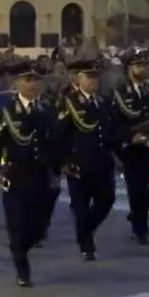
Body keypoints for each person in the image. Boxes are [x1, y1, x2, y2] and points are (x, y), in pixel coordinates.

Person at [0, 60, 59, 287]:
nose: (32, 84)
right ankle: (22, 268)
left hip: (41, 174)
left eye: (36, 80)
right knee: (17, 224)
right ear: (17, 83)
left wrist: (59, 167)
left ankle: (23, 245)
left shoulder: (47, 108)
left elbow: (56, 142)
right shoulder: (6, 110)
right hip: (16, 175)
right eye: (27, 80)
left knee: (38, 227)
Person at [55, 58, 118, 261]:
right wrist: (64, 161)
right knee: (81, 208)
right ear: (79, 79)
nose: (93, 82)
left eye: (95, 78)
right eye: (88, 78)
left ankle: (85, 231)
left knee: (106, 200)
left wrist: (119, 151)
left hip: (102, 162)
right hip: (79, 165)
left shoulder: (104, 101)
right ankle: (86, 245)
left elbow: (111, 131)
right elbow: (60, 134)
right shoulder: (69, 102)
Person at [112, 48, 149, 245]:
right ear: (129, 68)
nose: (143, 69)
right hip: (132, 150)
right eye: (138, 65)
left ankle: (138, 214)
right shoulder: (120, 93)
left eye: (147, 65)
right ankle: (140, 228)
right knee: (136, 190)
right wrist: (128, 138)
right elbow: (115, 122)